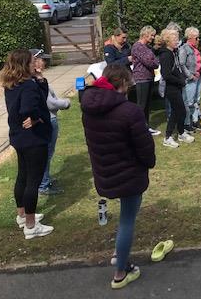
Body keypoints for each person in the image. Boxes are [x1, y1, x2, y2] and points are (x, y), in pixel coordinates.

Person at [81, 64, 155, 290]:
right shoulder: (130, 111)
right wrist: (150, 162)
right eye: (129, 84)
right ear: (122, 84)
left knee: (125, 219)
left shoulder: (88, 107)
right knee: (127, 221)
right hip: (129, 173)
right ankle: (121, 272)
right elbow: (144, 146)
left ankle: (118, 254)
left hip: (105, 171)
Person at [0, 49, 54, 239]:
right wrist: (37, 119)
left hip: (18, 137)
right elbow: (30, 108)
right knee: (33, 180)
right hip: (33, 138)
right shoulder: (28, 86)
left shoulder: (12, 83)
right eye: (32, 62)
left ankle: (22, 215)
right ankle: (31, 226)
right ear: (25, 65)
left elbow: (41, 96)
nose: (35, 64)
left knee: (22, 176)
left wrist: (40, 78)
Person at [30, 49, 70, 195]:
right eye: (42, 59)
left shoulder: (38, 78)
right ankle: (43, 184)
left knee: (47, 153)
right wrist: (66, 103)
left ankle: (45, 179)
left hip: (49, 119)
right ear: (34, 62)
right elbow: (50, 103)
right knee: (46, 153)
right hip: (48, 121)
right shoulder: (36, 81)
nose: (45, 62)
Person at [159, 28, 195, 148]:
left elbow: (177, 68)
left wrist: (181, 79)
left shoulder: (173, 52)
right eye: (174, 39)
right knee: (177, 111)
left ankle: (181, 133)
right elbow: (166, 74)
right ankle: (168, 137)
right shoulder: (165, 55)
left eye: (177, 39)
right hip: (171, 87)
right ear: (167, 41)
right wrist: (180, 81)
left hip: (177, 85)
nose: (177, 41)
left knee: (180, 111)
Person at [131, 25, 160, 135]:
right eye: (151, 35)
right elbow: (149, 61)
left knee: (147, 105)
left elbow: (153, 61)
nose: (153, 37)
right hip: (141, 78)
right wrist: (155, 62)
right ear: (145, 34)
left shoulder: (146, 47)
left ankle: (146, 126)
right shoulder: (138, 47)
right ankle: (139, 128)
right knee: (142, 105)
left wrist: (155, 62)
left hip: (148, 77)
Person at [179, 27, 201, 132]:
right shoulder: (184, 48)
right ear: (190, 38)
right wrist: (190, 75)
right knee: (188, 102)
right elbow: (182, 64)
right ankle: (186, 123)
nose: (198, 40)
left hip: (198, 77)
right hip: (190, 79)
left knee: (196, 100)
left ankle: (194, 120)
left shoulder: (195, 49)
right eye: (196, 38)